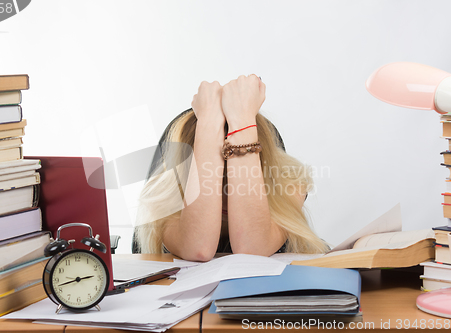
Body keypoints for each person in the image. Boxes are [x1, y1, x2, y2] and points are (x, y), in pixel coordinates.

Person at [134, 75, 329, 261]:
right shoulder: (163, 197)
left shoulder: (289, 182)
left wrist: (242, 119)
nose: (227, 194)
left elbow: (252, 248)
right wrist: (209, 122)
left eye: (233, 178)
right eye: (219, 180)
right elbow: (198, 248)